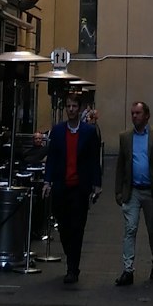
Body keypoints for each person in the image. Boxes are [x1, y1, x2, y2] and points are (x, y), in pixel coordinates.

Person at [42, 98, 102, 286]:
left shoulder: (89, 132)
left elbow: (94, 159)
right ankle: (71, 256)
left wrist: (96, 183)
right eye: (68, 106)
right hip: (61, 186)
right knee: (64, 226)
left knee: (77, 228)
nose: (71, 109)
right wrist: (47, 180)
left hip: (79, 187)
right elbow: (51, 157)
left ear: (80, 108)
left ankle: (72, 268)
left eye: (74, 106)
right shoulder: (58, 131)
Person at [113, 100, 153, 286]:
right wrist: (118, 191)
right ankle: (128, 270)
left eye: (137, 113)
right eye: (132, 113)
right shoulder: (125, 137)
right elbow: (120, 165)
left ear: (146, 115)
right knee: (130, 229)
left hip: (152, 192)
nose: (134, 116)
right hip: (133, 191)